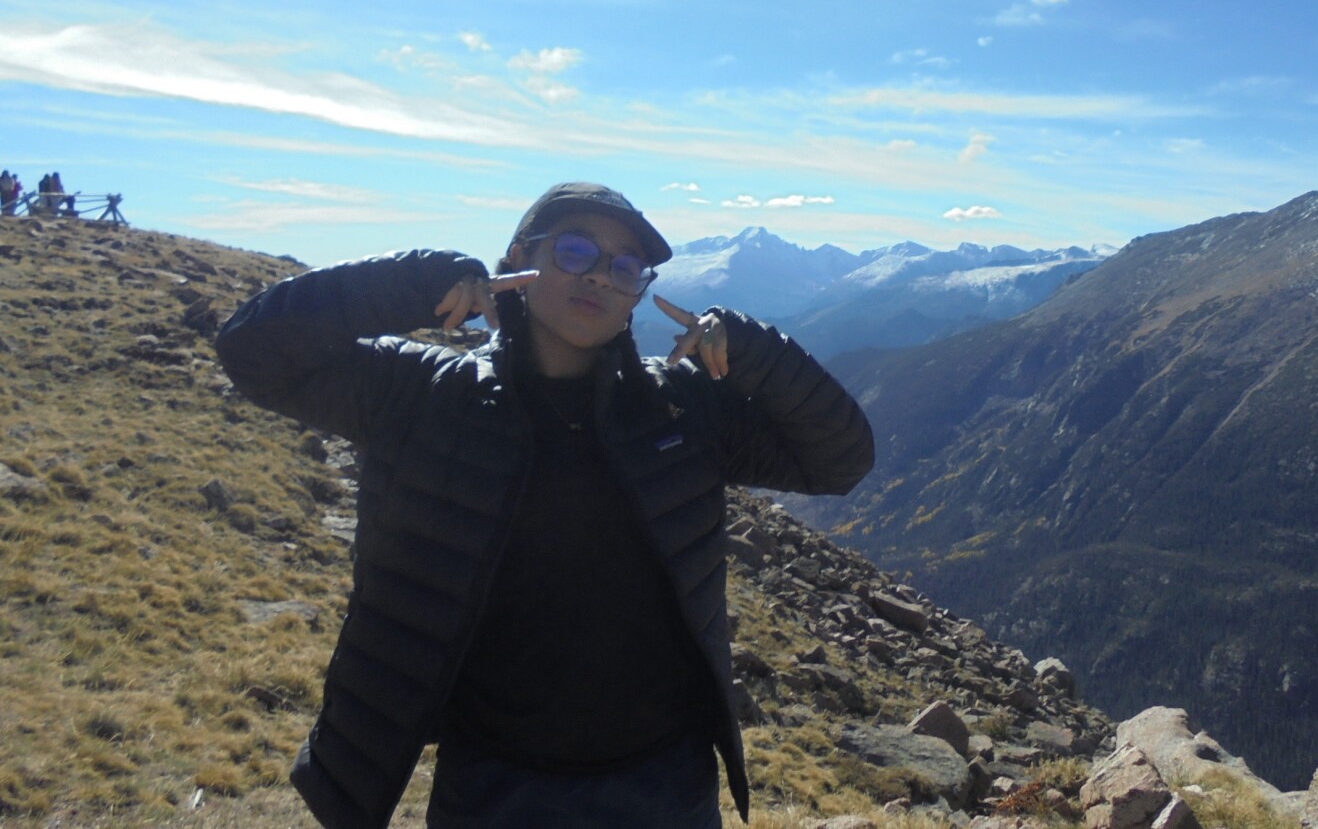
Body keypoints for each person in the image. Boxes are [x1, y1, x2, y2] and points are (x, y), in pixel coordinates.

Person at [215, 181, 874, 829]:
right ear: (515, 261)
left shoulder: (683, 405)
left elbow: (839, 459)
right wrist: (424, 283)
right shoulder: (424, 394)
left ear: (635, 296)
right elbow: (253, 350)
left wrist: (753, 351)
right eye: (575, 251)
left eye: (625, 267)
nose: (601, 276)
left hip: (668, 784)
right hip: (496, 786)